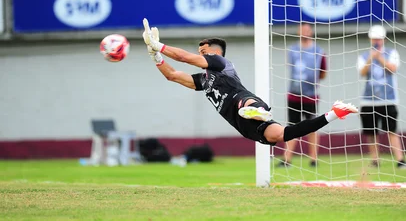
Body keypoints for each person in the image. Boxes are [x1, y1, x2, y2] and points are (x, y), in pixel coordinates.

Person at [142, 18, 358, 149]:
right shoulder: (204, 79)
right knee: (284, 134)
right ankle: (334, 113)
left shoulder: (219, 62)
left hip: (244, 102)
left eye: (203, 51)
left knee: (246, 104)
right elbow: (173, 75)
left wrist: (159, 45)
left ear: (215, 52)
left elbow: (183, 58)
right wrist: (156, 57)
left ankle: (257, 111)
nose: (200, 54)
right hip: (242, 126)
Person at [278, 23, 327, 168]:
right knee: (292, 126)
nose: (305, 32)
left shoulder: (319, 51)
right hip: (294, 94)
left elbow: (323, 72)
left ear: (311, 32)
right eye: (302, 30)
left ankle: (313, 159)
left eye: (307, 30)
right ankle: (287, 159)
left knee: (312, 127)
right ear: (298, 32)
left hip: (311, 95)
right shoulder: (292, 50)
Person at [357, 25, 405, 169]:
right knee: (371, 133)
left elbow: (393, 69)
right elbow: (362, 72)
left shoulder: (391, 53)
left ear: (383, 39)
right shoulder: (364, 56)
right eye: (374, 38)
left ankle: (400, 159)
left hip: (388, 99)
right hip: (368, 100)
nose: (376, 41)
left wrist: (380, 58)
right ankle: (375, 160)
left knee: (391, 130)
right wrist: (371, 58)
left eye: (378, 38)